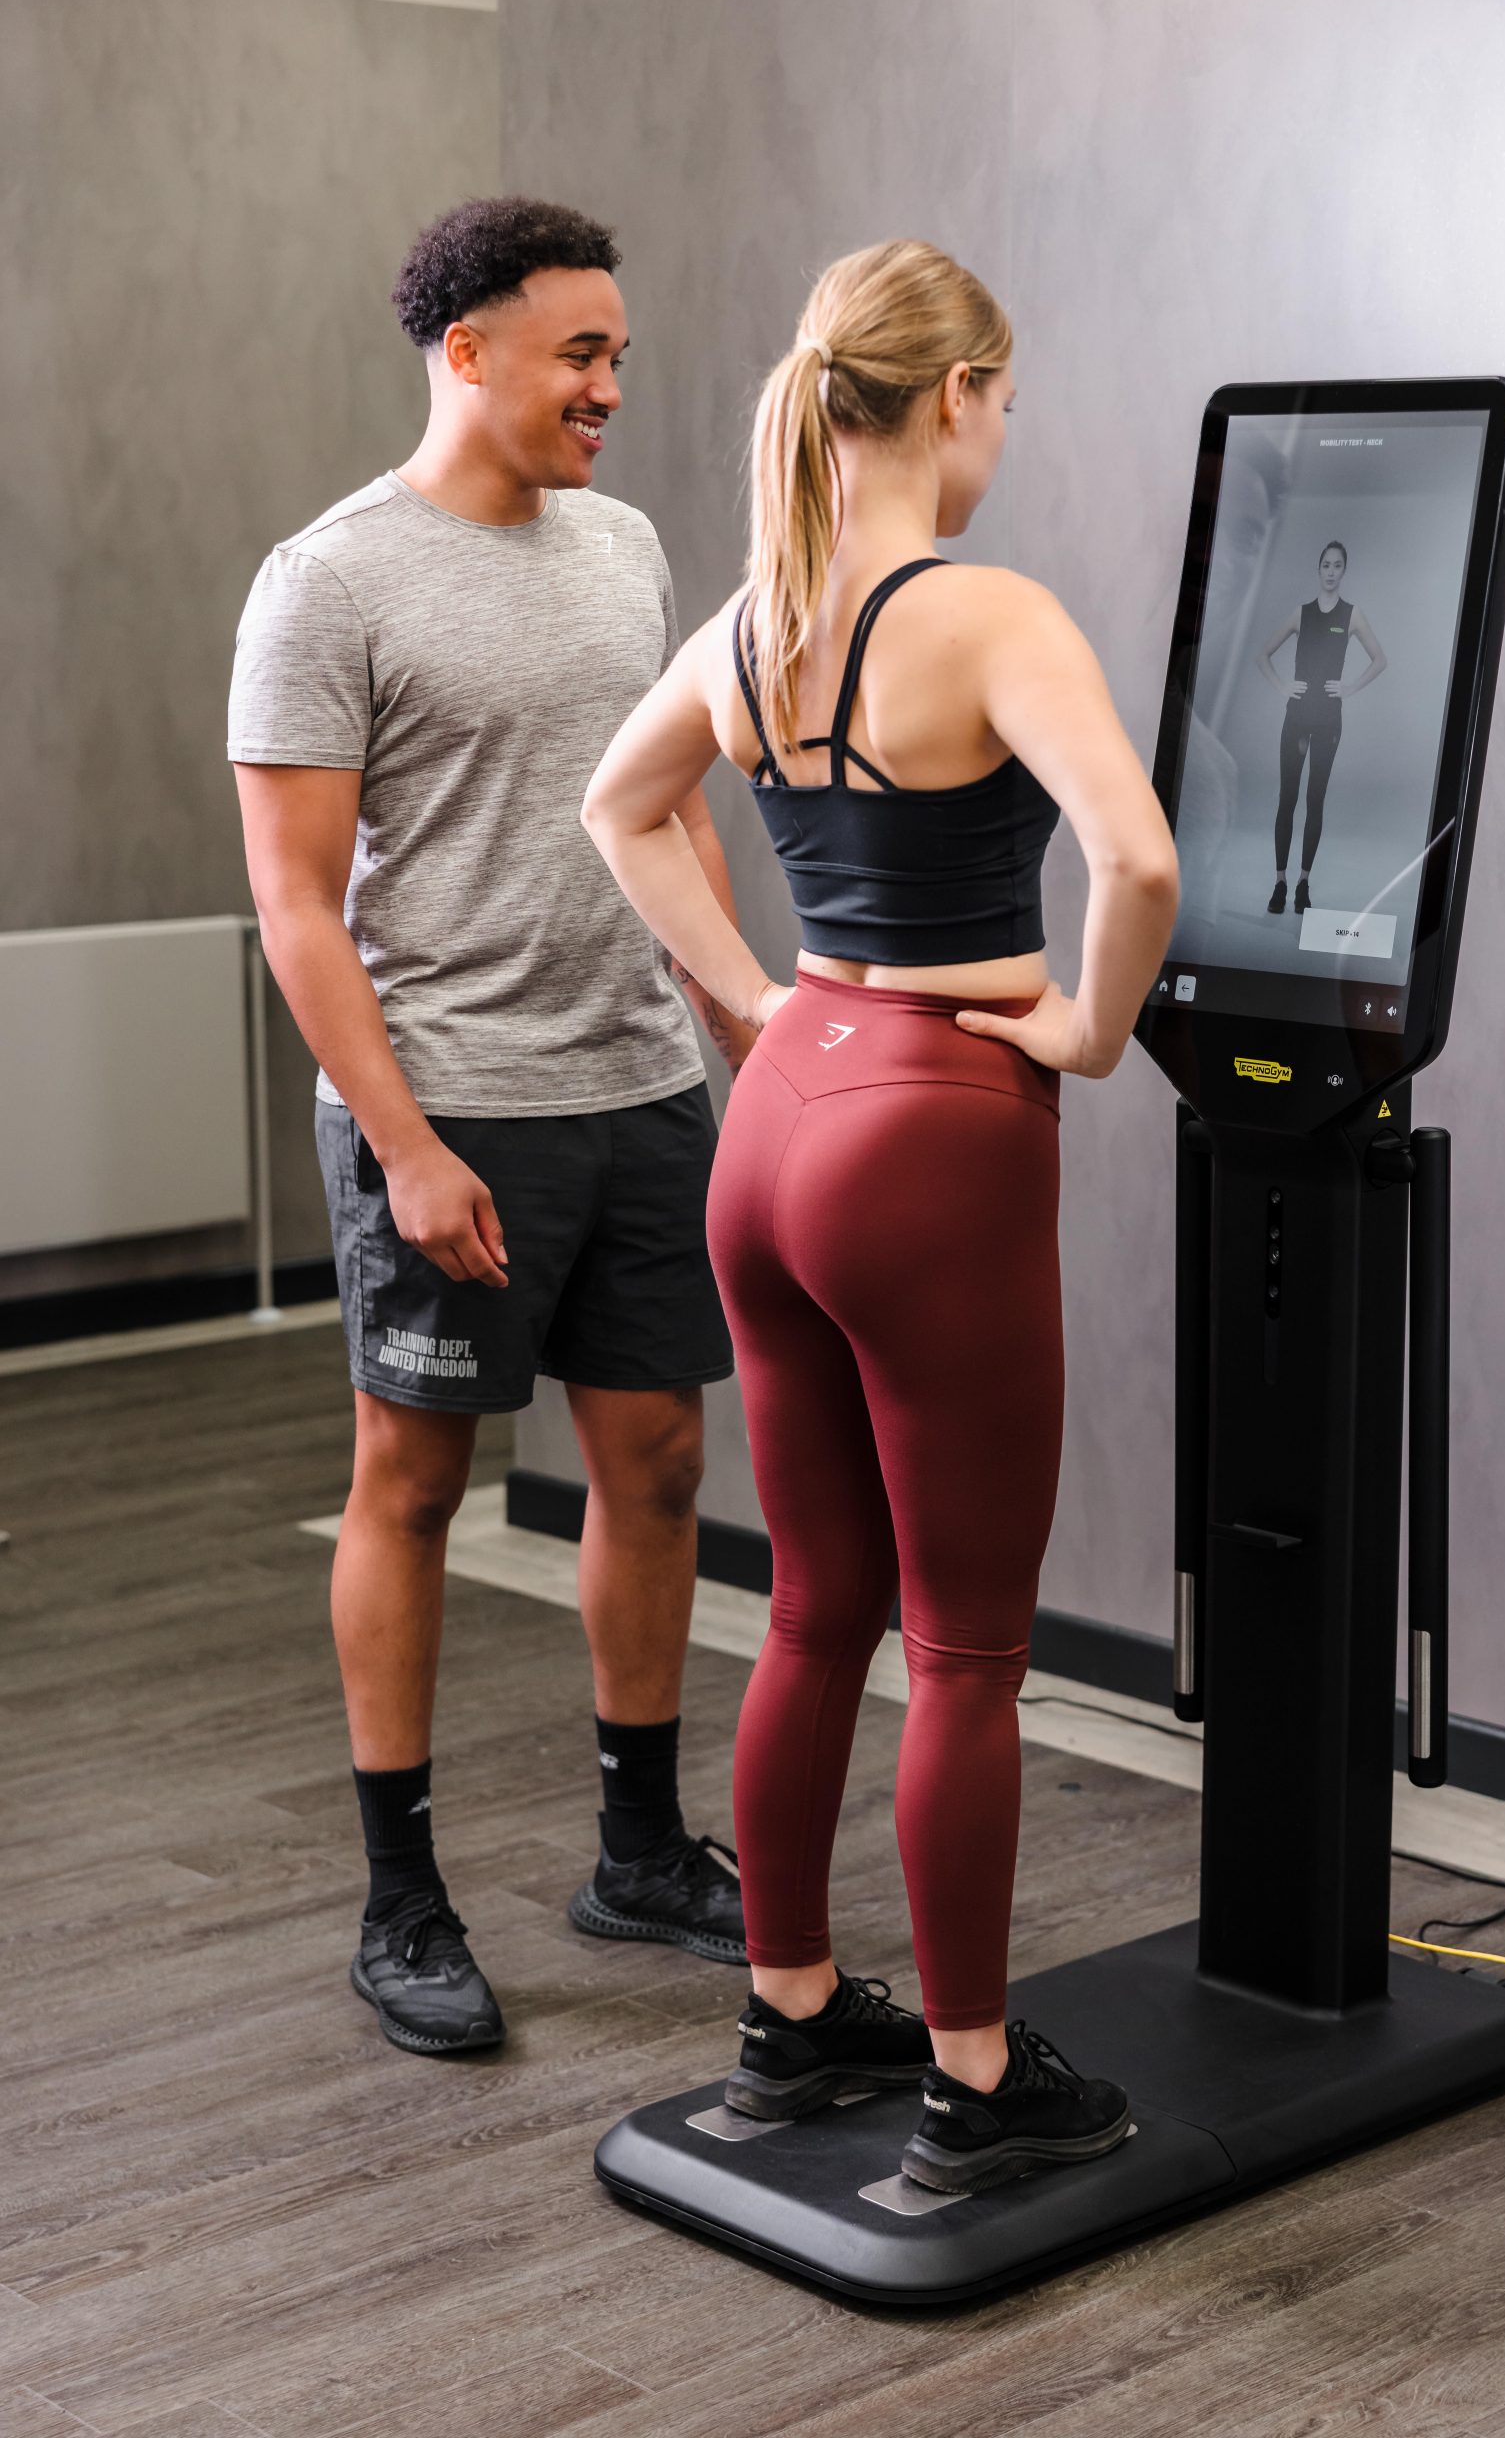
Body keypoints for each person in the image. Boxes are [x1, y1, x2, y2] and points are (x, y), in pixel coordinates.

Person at [581, 239, 1179, 2192]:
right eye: (1003, 402)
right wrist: (1085, 1028)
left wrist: (751, 997)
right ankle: (974, 2083)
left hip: (775, 1125)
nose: (1004, 433)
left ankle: (786, 2014)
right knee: (969, 1649)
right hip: (931, 1135)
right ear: (952, 398)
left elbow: (619, 804)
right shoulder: (987, 613)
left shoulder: (757, 615)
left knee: (814, 1607)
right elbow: (1136, 859)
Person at [229, 197, 749, 2058]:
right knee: (417, 1484)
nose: (612, 384)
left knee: (659, 1465)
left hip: (637, 1086)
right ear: (467, 352)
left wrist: (742, 1021)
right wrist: (408, 1146)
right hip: (450, 1101)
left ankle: (639, 1852)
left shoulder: (624, 550)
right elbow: (296, 905)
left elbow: (668, 808)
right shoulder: (328, 582)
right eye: (580, 353)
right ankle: (403, 1897)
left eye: (618, 353)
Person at [1257, 539, 1387, 913]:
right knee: (1287, 799)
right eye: (1326, 565)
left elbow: (1380, 660)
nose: (1331, 571)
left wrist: (1349, 688)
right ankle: (1279, 882)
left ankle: (1303, 883)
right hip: (1296, 718)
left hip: (1329, 720)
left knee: (1315, 800)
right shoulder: (1301, 614)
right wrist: (1282, 685)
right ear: (1319, 569)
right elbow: (1263, 655)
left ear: (1344, 571)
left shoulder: (1351, 615)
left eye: (1337, 565)